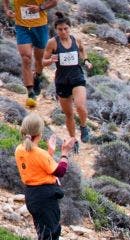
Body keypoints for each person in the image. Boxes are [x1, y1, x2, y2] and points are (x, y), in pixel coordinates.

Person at [15, 113, 75, 240]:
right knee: (51, 232)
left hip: (32, 196)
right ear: (40, 133)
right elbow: (59, 171)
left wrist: (50, 153)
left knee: (43, 230)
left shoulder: (19, 149)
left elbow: (39, 168)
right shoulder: (39, 153)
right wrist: (65, 153)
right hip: (45, 197)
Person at [42, 14, 92, 152]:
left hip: (77, 77)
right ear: (56, 30)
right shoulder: (52, 43)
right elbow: (43, 62)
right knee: (69, 114)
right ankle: (73, 140)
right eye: (60, 29)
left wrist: (86, 60)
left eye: (65, 29)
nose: (63, 32)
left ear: (70, 28)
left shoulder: (76, 40)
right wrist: (50, 60)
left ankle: (83, 126)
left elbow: (82, 49)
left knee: (80, 106)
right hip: (62, 81)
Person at [3, 0, 57, 108]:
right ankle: (30, 92)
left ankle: (37, 76)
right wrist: (7, 9)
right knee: (26, 58)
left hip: (40, 26)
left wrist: (40, 8)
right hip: (22, 27)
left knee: (39, 58)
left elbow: (54, 2)